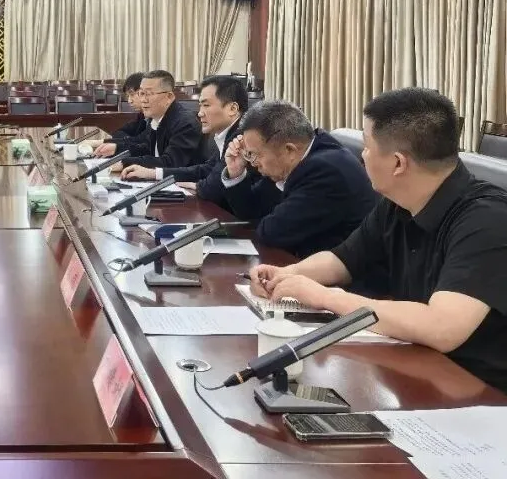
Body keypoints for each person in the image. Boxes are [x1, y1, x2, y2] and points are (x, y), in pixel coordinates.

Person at [251, 88, 507, 392]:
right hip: (417, 367)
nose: (361, 156)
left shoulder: (487, 219)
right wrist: (287, 275)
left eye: (367, 147)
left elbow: (442, 327)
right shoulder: (397, 203)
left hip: (478, 392)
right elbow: (343, 259)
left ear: (398, 163)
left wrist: (325, 297)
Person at [221, 100, 376, 258]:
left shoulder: (325, 172)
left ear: (289, 150)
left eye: (254, 154)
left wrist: (263, 219)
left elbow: (273, 232)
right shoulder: (294, 161)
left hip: (344, 271)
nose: (253, 163)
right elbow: (252, 211)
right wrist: (236, 171)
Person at [119, 75, 249, 205]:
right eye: (200, 105)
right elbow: (207, 169)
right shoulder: (229, 133)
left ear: (233, 109)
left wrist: (199, 186)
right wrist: (153, 173)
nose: (200, 113)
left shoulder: (242, 138)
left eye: (206, 105)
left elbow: (211, 188)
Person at [111, 70, 203, 170]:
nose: (143, 100)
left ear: (169, 97)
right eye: (141, 93)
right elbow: (146, 148)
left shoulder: (185, 123)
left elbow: (170, 162)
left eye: (149, 94)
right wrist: (116, 149)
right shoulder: (156, 118)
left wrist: (127, 163)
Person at [88, 73, 146, 155]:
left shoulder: (154, 117)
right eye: (128, 96)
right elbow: (119, 132)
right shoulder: (142, 115)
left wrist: (99, 143)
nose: (129, 101)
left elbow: (141, 143)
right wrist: (129, 140)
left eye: (132, 95)